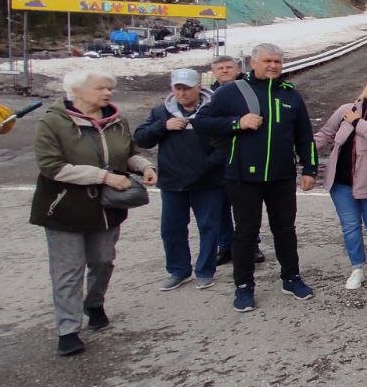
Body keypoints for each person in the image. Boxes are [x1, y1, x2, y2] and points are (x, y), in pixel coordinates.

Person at [31, 70, 157, 356]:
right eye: (100, 88)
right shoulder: (52, 122)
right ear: (75, 91)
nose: (107, 93)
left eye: (109, 88)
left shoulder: (116, 120)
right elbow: (52, 166)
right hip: (63, 208)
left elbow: (128, 153)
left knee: (103, 261)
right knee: (68, 270)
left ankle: (94, 302)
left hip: (106, 209)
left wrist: (144, 167)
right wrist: (103, 177)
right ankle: (68, 329)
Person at [195, 43, 318, 312]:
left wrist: (310, 170)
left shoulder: (290, 94)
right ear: (253, 62)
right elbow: (201, 122)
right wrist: (237, 123)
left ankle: (291, 278)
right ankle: (243, 286)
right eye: (267, 61)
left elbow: (305, 136)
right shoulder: (232, 91)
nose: (273, 65)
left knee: (285, 230)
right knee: (246, 232)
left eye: (277, 61)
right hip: (241, 176)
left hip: (281, 176)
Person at [134, 69, 224, 292]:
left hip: (208, 181)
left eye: (187, 88)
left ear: (198, 87)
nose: (182, 93)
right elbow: (141, 139)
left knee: (209, 227)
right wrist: (163, 126)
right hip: (173, 182)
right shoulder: (161, 112)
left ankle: (205, 271)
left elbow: (225, 143)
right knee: (171, 228)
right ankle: (178, 270)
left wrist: (206, 166)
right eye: (178, 88)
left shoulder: (214, 110)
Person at [314, 76, 367, 290]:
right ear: (366, 87)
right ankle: (357, 267)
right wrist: (306, 150)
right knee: (350, 227)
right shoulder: (346, 109)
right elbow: (326, 133)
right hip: (341, 182)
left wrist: (357, 122)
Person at [209, 55, 264, 266]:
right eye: (220, 68)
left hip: (243, 155)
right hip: (216, 156)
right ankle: (225, 245)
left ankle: (252, 245)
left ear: (238, 69)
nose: (224, 71)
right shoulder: (208, 95)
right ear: (213, 72)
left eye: (228, 67)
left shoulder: (249, 91)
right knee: (219, 204)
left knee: (247, 206)